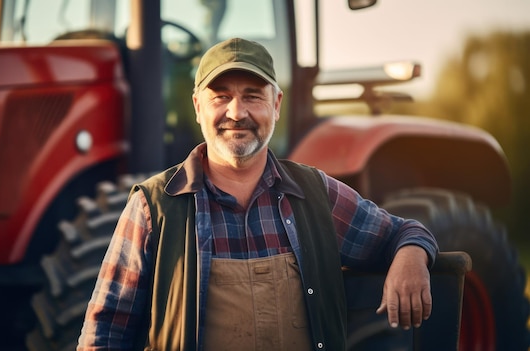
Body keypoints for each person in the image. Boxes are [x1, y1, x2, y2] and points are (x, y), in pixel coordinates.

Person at [77, 38, 439, 351]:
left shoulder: (315, 195)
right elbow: (106, 330)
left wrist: (411, 256)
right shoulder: (153, 207)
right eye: (221, 97)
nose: (237, 113)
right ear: (198, 106)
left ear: (277, 105)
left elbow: (403, 231)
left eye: (253, 96)